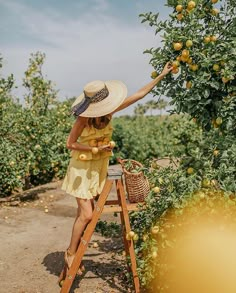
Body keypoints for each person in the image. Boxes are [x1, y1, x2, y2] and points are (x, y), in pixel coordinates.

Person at [59, 62, 172, 280]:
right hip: (81, 168)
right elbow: (70, 143)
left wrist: (162, 75)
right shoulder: (83, 119)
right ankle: (71, 254)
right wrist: (95, 148)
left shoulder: (111, 110)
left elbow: (139, 94)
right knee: (87, 214)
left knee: (81, 216)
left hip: (97, 168)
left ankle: (71, 262)